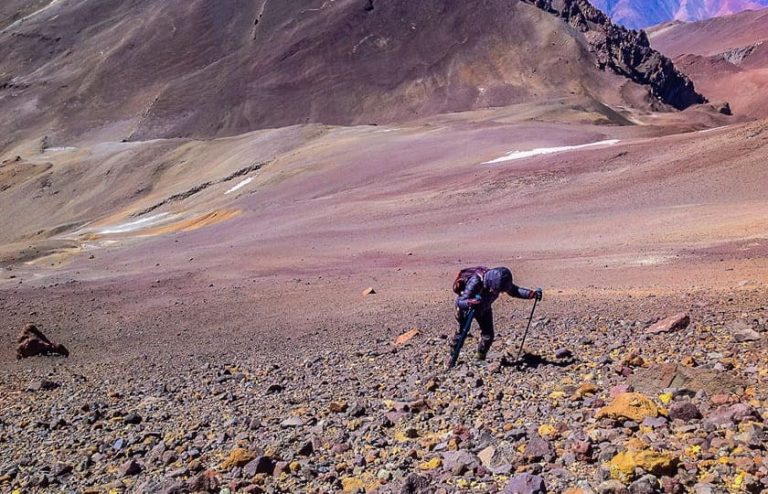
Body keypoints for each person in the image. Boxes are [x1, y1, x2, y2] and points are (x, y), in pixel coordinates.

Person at [453, 266, 542, 362]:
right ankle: (452, 358)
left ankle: (480, 358)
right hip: (467, 310)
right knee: (461, 334)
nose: (501, 292)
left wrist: (531, 294)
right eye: (498, 290)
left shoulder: (500, 282)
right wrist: (469, 302)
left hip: (484, 309)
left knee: (488, 336)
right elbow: (460, 302)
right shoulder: (475, 281)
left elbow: (514, 291)